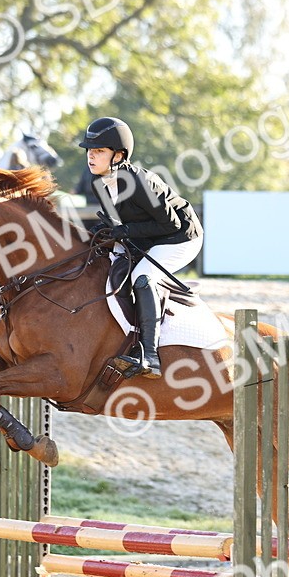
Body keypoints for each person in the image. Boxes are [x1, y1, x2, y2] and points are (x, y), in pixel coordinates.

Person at [78, 116, 202, 379]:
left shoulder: (139, 182)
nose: (91, 156)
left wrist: (127, 231)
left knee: (142, 277)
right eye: (90, 151)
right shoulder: (98, 182)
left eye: (99, 151)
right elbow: (115, 221)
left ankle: (150, 355)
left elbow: (171, 224)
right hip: (145, 238)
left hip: (180, 237)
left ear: (119, 155)